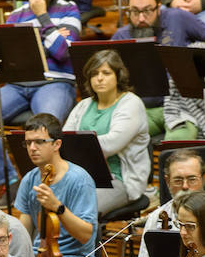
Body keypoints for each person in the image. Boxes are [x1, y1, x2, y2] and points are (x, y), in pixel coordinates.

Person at [0, 0, 81, 192]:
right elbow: (13, 58)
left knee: (46, 129)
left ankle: (50, 185)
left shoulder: (69, 10)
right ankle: (9, 183)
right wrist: (51, 38)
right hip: (18, 84)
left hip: (54, 82)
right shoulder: (16, 15)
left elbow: (63, 52)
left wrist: (43, 16)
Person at [112, 0, 205, 141]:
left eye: (147, 11)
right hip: (141, 110)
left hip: (180, 107)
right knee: (122, 137)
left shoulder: (177, 17)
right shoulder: (120, 36)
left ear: (158, 8)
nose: (141, 18)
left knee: (179, 142)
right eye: (135, 12)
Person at [13, 113, 98, 257]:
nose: (32, 148)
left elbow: (86, 236)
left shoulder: (79, 179)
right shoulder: (29, 179)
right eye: (28, 143)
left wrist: (57, 207)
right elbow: (24, 229)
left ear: (57, 144)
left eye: (39, 142)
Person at [63, 49, 151, 214]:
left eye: (106, 73)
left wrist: (75, 146)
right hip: (82, 178)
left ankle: (89, 240)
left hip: (119, 181)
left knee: (81, 209)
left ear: (118, 76)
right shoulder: (84, 105)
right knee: (39, 199)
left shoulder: (131, 104)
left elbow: (110, 144)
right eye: (94, 74)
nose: (100, 78)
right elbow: (65, 140)